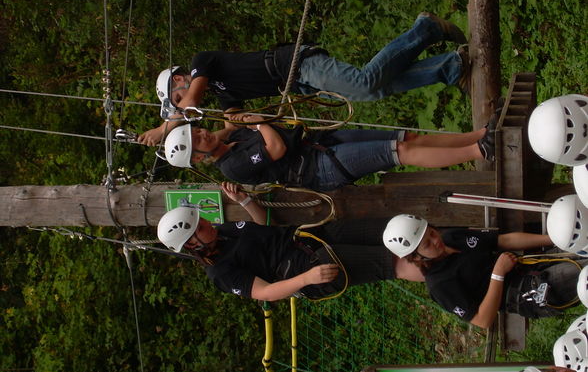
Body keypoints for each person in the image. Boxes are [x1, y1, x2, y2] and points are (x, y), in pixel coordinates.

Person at [138, 12, 470, 146]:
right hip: (298, 82)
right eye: (178, 103)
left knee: (366, 82)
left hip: (294, 64)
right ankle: (448, 67)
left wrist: (164, 127)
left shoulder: (202, 64)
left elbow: (193, 102)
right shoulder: (223, 93)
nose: (184, 101)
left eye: (177, 96)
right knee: (374, 91)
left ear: (180, 79)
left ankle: (424, 30)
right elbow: (232, 125)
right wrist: (213, 138)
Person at [156, 182, 424, 301]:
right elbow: (264, 293)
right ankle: (447, 268)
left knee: (391, 229)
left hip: (309, 237)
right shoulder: (220, 272)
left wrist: (245, 202)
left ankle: (453, 242)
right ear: (192, 245)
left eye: (202, 220)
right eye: (200, 228)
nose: (207, 224)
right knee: (391, 262)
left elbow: (263, 229)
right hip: (305, 268)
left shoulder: (223, 231)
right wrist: (307, 279)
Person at [163, 111, 496, 192]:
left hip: (318, 144)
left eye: (198, 131)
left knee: (405, 136)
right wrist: (258, 121)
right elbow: (276, 148)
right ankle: (478, 152)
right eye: (198, 142)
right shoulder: (232, 168)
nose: (203, 134)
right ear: (198, 159)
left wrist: (178, 122)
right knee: (399, 151)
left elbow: (224, 126)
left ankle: (476, 135)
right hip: (319, 168)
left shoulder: (228, 140)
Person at [382, 214, 584, 329]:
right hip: (524, 294)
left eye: (433, 233)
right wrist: (498, 274)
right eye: (427, 244)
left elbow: (504, 241)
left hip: (529, 266)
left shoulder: (452, 237)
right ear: (416, 257)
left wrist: (556, 238)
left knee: (580, 243)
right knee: (579, 273)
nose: (436, 240)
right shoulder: (440, 285)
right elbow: (482, 320)